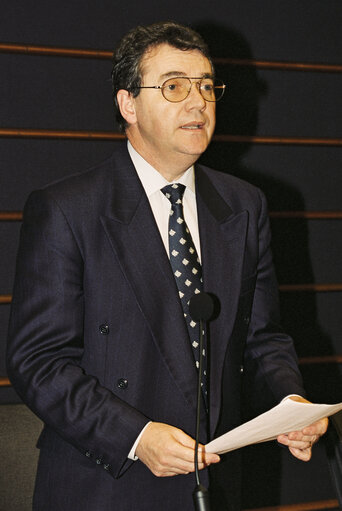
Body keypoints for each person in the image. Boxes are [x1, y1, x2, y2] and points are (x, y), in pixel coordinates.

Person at [6, 21, 327, 511]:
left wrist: (291, 402)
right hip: (105, 484)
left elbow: (264, 337)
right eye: (175, 86)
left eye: (206, 86)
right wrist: (135, 436)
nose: (197, 103)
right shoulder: (68, 210)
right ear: (128, 104)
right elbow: (39, 362)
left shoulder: (244, 205)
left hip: (216, 484)